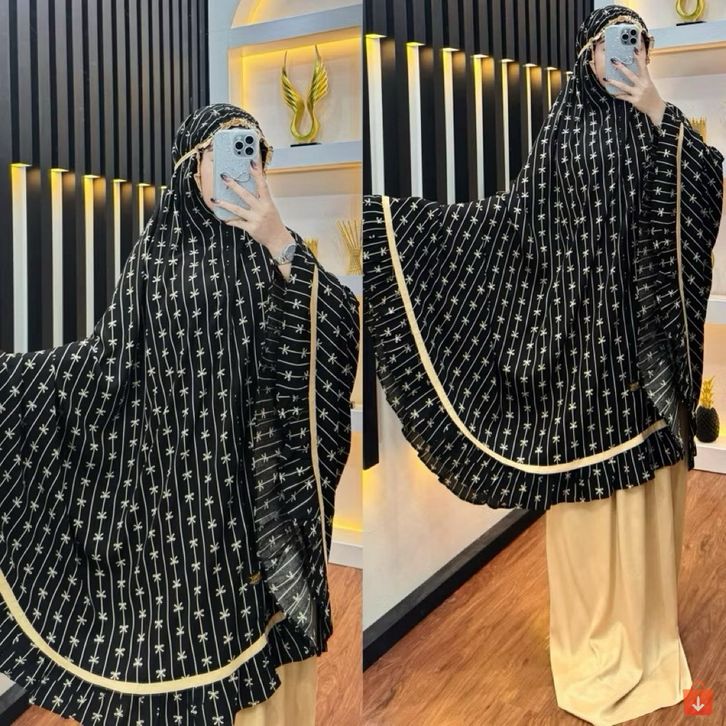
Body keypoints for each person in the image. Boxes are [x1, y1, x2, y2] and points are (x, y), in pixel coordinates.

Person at [362, 6, 723, 725]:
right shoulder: (562, 131)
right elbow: (513, 227)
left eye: (639, 42)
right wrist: (398, 228)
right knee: (588, 511)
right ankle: (594, 650)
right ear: (588, 52)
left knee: (646, 502)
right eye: (615, 42)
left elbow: (707, 189)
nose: (627, 54)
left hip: (646, 360)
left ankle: (647, 635)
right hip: (583, 363)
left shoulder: (662, 128)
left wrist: (658, 109)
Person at [0, 103, 360, 725]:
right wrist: (13, 380)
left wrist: (279, 241)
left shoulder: (270, 251)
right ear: (191, 166)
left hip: (257, 490)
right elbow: (105, 364)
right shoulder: (153, 258)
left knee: (261, 639)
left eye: (254, 153)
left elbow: (335, 328)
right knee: (188, 634)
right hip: (178, 493)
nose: (243, 168)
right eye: (225, 153)